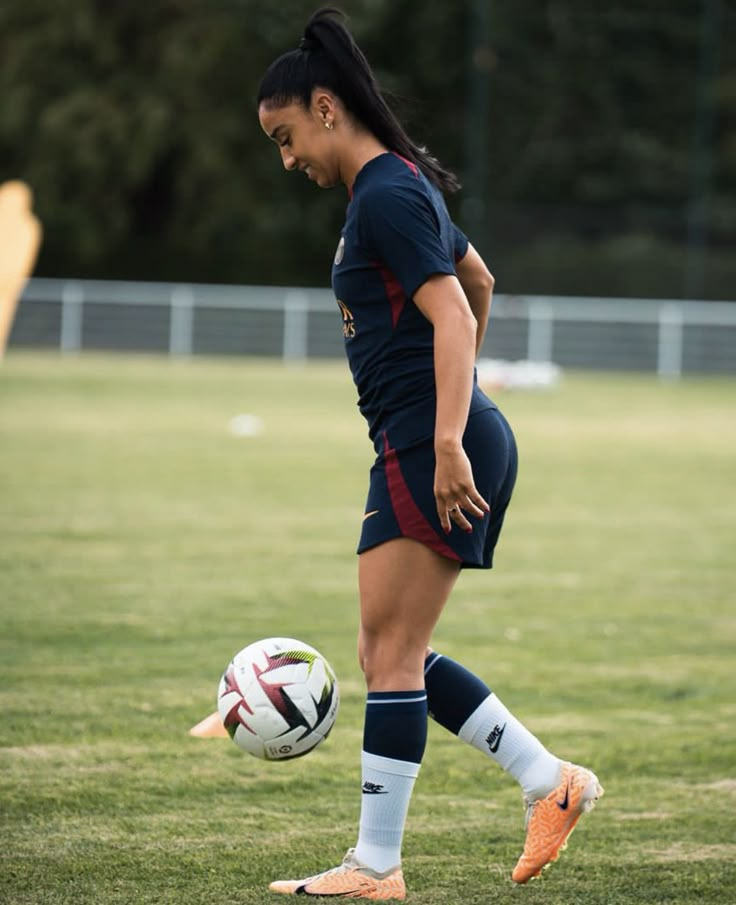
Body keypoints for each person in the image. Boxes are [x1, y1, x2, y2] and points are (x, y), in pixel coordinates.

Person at [256, 8, 603, 899]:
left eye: (287, 136)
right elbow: (479, 280)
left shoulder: (387, 193)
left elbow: (454, 307)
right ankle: (547, 780)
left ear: (326, 108)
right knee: (389, 653)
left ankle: (378, 867)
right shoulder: (395, 187)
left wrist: (450, 433)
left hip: (431, 442)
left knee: (393, 655)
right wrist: (454, 408)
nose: (285, 159)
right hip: (422, 436)